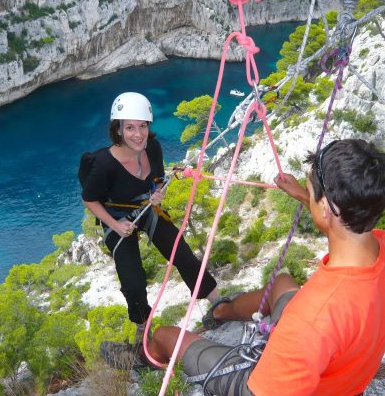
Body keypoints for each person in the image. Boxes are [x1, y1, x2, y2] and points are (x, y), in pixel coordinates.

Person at [101, 138, 385, 395]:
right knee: (283, 282)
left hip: (262, 382)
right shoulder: (377, 245)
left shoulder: (314, 315)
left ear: (326, 208)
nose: (307, 194)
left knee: (165, 335)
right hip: (343, 372)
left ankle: (141, 357)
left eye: (311, 191)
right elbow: (345, 226)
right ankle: (221, 312)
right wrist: (301, 194)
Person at [81, 92, 219, 340]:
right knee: (132, 281)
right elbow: (89, 199)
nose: (138, 134)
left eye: (142, 126)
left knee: (182, 254)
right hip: (117, 218)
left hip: (146, 207)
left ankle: (218, 303)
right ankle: (143, 332)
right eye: (130, 127)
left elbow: (157, 178)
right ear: (119, 130)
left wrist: (157, 192)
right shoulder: (104, 163)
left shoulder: (152, 147)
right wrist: (114, 224)